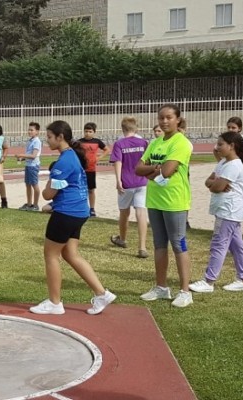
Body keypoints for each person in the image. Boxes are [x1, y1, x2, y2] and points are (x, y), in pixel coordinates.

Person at [29, 120, 117, 315]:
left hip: (66, 213)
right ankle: (102, 294)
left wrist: (50, 197)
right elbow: (67, 187)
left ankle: (54, 303)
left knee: (51, 255)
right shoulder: (72, 157)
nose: (47, 140)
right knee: (70, 254)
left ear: (60, 137)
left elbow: (48, 193)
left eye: (50, 137)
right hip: (78, 212)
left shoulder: (64, 162)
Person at [135, 104, 195, 308]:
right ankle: (161, 287)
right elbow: (138, 168)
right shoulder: (155, 142)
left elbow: (168, 171)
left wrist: (152, 170)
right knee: (159, 245)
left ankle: (185, 291)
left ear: (178, 119)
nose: (164, 121)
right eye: (161, 118)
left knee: (178, 244)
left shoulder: (182, 143)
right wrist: (154, 168)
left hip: (175, 200)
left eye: (169, 117)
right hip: (155, 199)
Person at [190, 131, 243, 293]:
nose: (217, 148)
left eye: (220, 144)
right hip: (225, 210)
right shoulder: (223, 163)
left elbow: (217, 186)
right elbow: (209, 181)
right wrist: (214, 183)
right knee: (236, 245)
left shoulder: (234, 165)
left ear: (232, 146)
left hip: (229, 211)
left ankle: (209, 281)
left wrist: (215, 184)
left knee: (218, 244)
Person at [109, 116, 149, 258]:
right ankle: (142, 247)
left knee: (124, 212)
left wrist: (118, 180)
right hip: (142, 181)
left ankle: (123, 239)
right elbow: (148, 161)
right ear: (136, 128)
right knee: (141, 212)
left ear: (123, 129)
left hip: (126, 182)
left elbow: (117, 162)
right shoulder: (144, 142)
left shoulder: (119, 144)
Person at [78, 122, 108, 217]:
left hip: (91, 169)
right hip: (81, 170)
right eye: (86, 131)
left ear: (94, 132)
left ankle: (92, 209)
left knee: (91, 190)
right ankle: (82, 207)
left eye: (90, 131)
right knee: (81, 189)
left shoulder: (97, 142)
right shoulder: (79, 142)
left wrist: (99, 158)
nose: (87, 133)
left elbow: (107, 149)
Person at [16, 122, 43, 211]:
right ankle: (29, 203)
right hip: (28, 165)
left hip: (33, 166)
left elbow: (34, 155)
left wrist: (21, 155)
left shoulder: (36, 141)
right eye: (29, 129)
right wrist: (22, 159)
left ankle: (35, 205)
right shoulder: (30, 141)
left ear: (37, 131)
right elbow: (29, 155)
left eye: (32, 130)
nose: (29, 131)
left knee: (34, 185)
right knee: (28, 185)